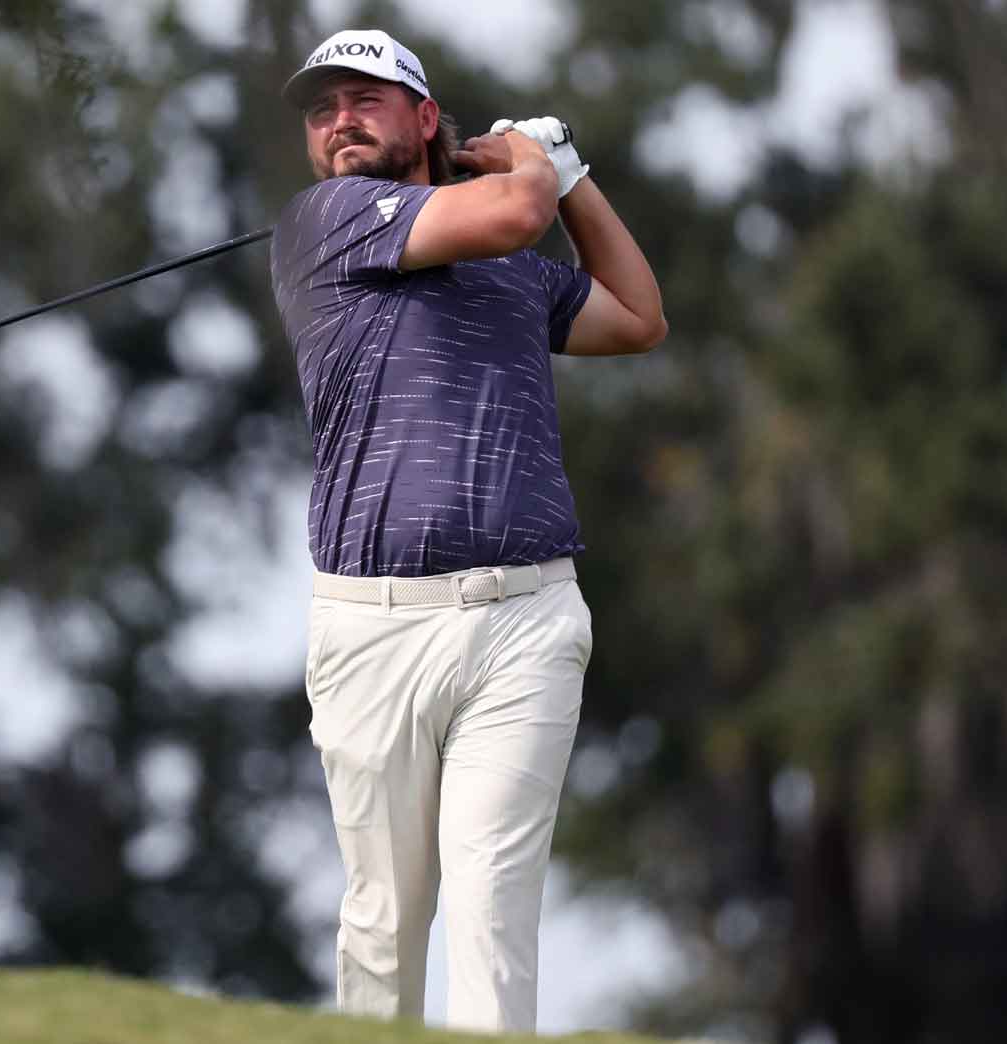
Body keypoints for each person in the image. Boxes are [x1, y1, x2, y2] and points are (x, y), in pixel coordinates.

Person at [270, 28, 666, 1034]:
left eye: (363, 99)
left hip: (524, 622)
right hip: (372, 629)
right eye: (322, 110)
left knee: (492, 912)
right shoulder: (327, 219)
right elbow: (512, 208)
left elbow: (634, 315)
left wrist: (567, 172)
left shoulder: (515, 273)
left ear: (423, 118)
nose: (338, 122)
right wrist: (533, 163)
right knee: (384, 921)